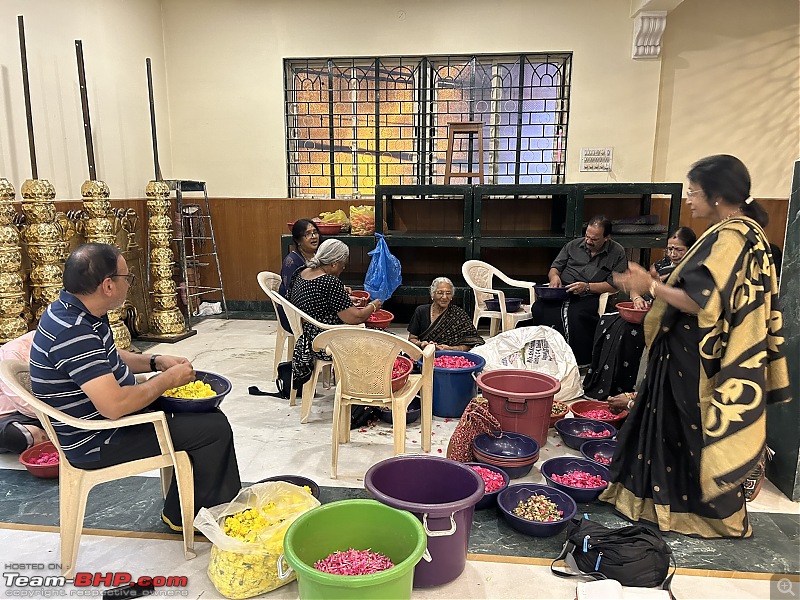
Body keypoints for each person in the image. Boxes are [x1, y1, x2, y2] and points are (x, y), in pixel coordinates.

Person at [600, 155, 790, 538]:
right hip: (694, 350)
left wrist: (648, 286)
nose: (688, 198)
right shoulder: (743, 233)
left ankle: (695, 513)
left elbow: (696, 299)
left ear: (717, 194)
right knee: (667, 425)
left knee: (686, 431)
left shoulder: (731, 237)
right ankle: (652, 504)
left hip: (695, 358)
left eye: (693, 190)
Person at [29, 243, 241, 531]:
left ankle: (185, 508)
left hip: (106, 422)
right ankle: (190, 518)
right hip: (98, 440)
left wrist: (155, 361)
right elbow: (115, 406)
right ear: (107, 286)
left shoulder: (76, 310)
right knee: (212, 430)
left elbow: (107, 358)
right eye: (126, 278)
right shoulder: (72, 332)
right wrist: (166, 380)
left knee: (206, 417)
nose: (129, 285)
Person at [584, 227, 697, 400]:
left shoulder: (692, 271)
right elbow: (638, 290)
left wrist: (652, 285)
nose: (673, 253)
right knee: (608, 322)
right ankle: (603, 384)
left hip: (666, 317)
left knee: (626, 332)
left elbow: (679, 300)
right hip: (645, 308)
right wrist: (636, 298)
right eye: (669, 248)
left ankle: (631, 391)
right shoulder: (659, 265)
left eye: (679, 249)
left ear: (691, 249)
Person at [531, 215, 627, 365]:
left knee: (576, 316)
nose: (588, 241)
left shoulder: (617, 252)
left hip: (589, 294)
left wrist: (588, 287)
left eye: (594, 239)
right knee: (539, 308)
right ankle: (548, 358)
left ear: (606, 238)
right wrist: (554, 277)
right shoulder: (573, 245)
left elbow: (615, 285)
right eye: (587, 236)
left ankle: (578, 361)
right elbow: (555, 267)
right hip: (561, 290)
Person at [288, 239, 382, 387]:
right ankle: (367, 387)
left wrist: (344, 298)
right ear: (333, 263)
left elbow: (315, 300)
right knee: (384, 339)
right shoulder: (329, 282)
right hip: (325, 342)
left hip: (306, 336)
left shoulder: (301, 272)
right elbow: (356, 318)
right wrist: (373, 306)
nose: (343, 268)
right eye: (342, 264)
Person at [0, 331, 49, 453]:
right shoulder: (14, 351)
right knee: (13, 434)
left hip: (45, 412)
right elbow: (24, 404)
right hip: (20, 415)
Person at [407, 277, 484, 352]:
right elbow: (411, 339)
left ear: (452, 296)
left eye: (448, 293)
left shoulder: (459, 314)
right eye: (440, 293)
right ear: (432, 294)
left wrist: (450, 349)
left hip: (451, 357)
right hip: (426, 354)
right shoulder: (421, 311)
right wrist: (421, 344)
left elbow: (469, 345)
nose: (444, 297)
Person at [277, 219, 321, 331]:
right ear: (298, 240)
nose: (313, 237)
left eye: (315, 232)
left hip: (312, 306)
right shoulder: (291, 262)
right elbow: (292, 295)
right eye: (307, 234)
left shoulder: (318, 256)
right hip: (294, 314)